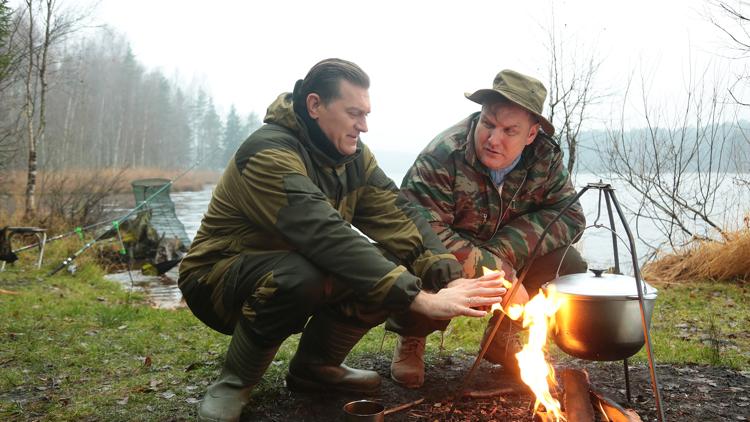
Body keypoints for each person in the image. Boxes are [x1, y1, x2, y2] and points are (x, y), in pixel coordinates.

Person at [177, 58, 509, 422]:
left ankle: (315, 367)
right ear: (315, 105)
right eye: (354, 113)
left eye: (366, 114)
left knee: (387, 260)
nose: (363, 126)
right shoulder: (269, 153)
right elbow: (326, 235)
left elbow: (397, 214)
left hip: (296, 264)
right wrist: (417, 298)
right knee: (320, 273)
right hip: (217, 279)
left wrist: (446, 272)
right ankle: (234, 383)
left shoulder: (351, 156)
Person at [389, 69, 587, 388]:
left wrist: (501, 253)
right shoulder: (444, 154)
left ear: (532, 134)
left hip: (501, 247)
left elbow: (570, 215)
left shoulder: (544, 156)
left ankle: (502, 337)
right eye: (488, 124)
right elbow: (420, 228)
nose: (494, 139)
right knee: (423, 259)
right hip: (445, 252)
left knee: (568, 263)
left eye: (510, 130)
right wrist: (501, 275)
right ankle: (412, 334)